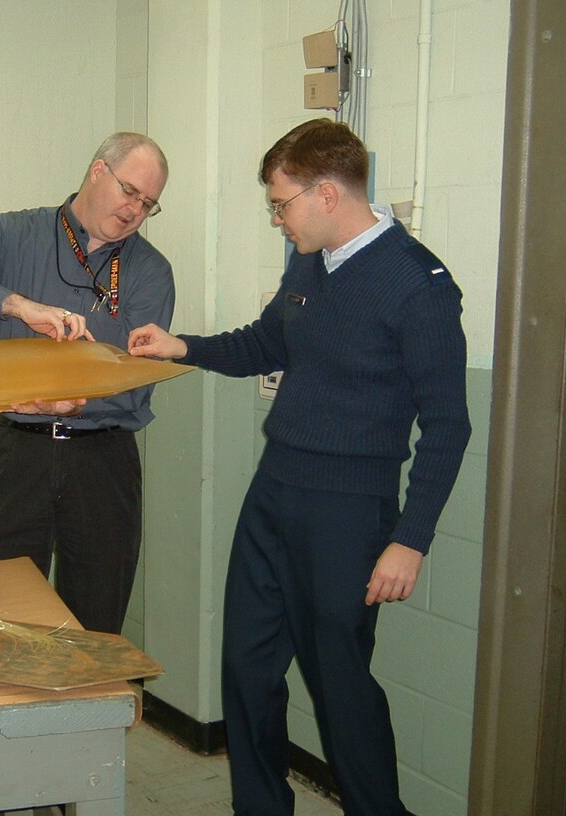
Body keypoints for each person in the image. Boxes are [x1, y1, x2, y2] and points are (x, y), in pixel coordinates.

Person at [127, 119, 471, 816]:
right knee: (248, 671)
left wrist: (411, 539)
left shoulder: (419, 285)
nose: (277, 218)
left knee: (339, 683)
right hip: (275, 491)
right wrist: (179, 345)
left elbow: (448, 426)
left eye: (279, 204)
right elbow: (264, 344)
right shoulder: (311, 263)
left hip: (350, 510)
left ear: (324, 193)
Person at [0, 132, 175, 635]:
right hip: (19, 454)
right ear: (98, 171)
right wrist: (17, 305)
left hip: (104, 461)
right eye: (129, 191)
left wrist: (74, 404)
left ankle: (90, 713)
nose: (134, 211)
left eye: (148, 204)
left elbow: (138, 380)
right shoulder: (15, 234)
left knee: (96, 622)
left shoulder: (150, 271)